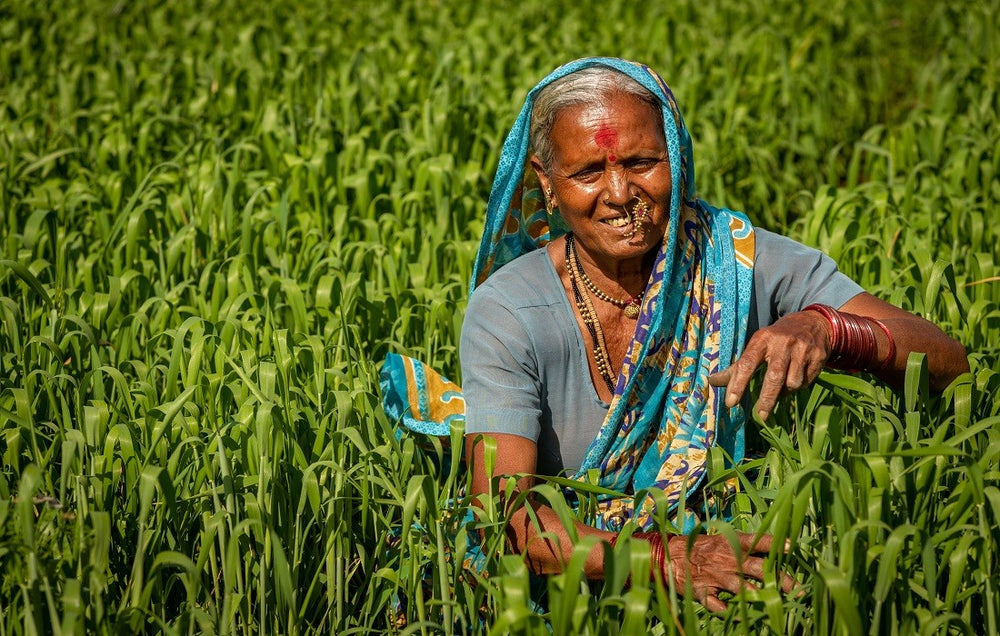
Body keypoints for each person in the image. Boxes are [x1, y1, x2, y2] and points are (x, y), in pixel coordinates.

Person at [455, 57, 969, 611]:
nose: (621, 192)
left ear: (676, 155)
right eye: (587, 173)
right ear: (546, 184)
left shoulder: (736, 262)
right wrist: (666, 557)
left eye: (643, 162)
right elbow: (503, 522)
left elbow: (947, 361)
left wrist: (829, 327)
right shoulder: (509, 311)